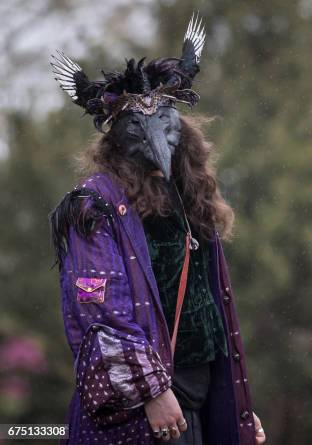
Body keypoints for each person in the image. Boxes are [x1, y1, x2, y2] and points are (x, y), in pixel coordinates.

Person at [49, 12, 266, 445]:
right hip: (147, 410)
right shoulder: (94, 204)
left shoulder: (191, 197)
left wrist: (235, 408)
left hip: (202, 395)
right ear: (118, 138)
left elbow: (209, 313)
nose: (154, 136)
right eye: (138, 125)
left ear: (179, 130)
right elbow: (98, 311)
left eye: (163, 121)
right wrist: (151, 391)